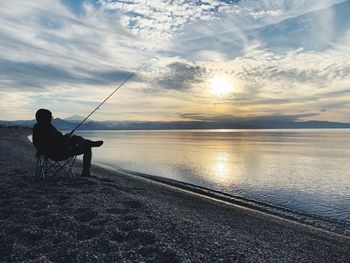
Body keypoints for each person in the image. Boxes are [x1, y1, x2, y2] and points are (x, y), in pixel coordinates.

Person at [32, 108, 103, 177]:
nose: (52, 118)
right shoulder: (44, 129)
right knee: (86, 147)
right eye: (51, 117)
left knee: (75, 138)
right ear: (46, 118)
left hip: (57, 150)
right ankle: (86, 172)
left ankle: (88, 143)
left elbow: (58, 138)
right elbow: (52, 142)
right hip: (58, 152)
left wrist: (67, 137)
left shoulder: (43, 128)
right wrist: (67, 141)